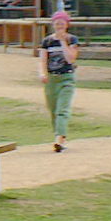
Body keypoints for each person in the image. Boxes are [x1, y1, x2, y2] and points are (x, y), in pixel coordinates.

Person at [38, 9, 80, 151]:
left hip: (66, 78)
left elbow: (71, 58)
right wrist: (42, 73)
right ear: (53, 24)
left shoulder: (72, 39)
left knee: (63, 109)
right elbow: (43, 60)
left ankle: (59, 139)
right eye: (57, 23)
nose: (59, 26)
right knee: (53, 110)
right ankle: (60, 136)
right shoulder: (47, 41)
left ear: (67, 24)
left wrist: (63, 42)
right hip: (51, 79)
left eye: (62, 23)